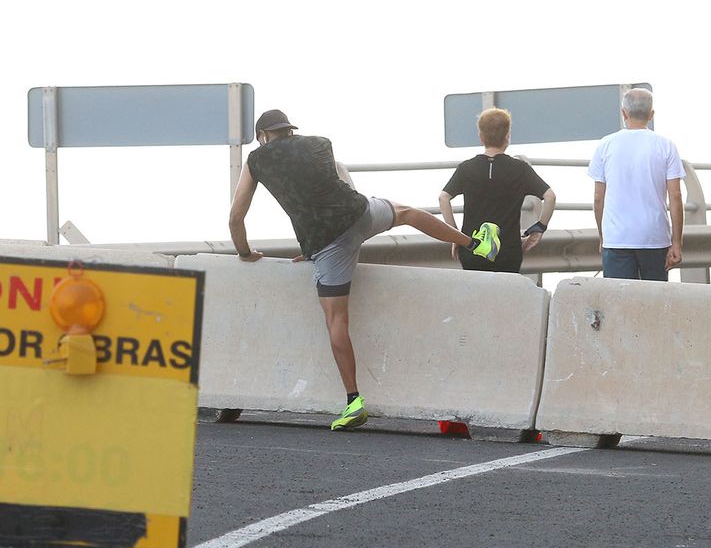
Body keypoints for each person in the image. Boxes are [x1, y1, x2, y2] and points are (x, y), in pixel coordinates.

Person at [229, 108, 501, 431]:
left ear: (262, 137)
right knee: (407, 213)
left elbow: (236, 218)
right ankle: (476, 244)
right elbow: (332, 186)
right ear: (290, 130)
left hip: (328, 245)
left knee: (336, 320)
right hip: (358, 214)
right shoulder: (319, 143)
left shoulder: (256, 160)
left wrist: (246, 252)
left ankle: (354, 401)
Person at [438, 107, 557, 274]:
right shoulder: (520, 169)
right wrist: (539, 228)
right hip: (508, 252)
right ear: (507, 137)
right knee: (505, 297)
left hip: (472, 249)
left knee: (478, 296)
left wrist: (455, 236)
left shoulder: (466, 168)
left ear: (481, 137)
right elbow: (550, 196)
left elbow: (444, 198)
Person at [588, 86, 685, 280]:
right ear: (651, 114)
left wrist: (603, 236)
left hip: (617, 238)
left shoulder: (605, 145)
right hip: (654, 237)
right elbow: (675, 196)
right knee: (655, 302)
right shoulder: (666, 146)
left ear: (623, 113)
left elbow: (599, 198)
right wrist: (676, 243)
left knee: (618, 302)